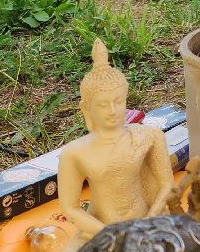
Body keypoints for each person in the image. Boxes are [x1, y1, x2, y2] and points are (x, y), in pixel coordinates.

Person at [57, 40, 176, 239]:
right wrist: (109, 234)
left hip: (147, 223)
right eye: (103, 104)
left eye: (118, 101)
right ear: (86, 109)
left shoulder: (148, 136)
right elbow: (70, 208)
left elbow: (167, 185)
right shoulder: (74, 153)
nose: (112, 111)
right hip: (101, 230)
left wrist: (151, 218)